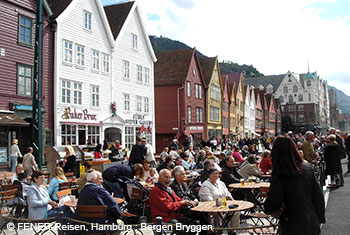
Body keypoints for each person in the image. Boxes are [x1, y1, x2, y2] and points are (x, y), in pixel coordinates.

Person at [264, 136, 325, 235]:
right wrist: (320, 217)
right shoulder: (306, 166)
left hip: (292, 221)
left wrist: (268, 208)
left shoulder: (280, 171)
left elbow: (275, 196)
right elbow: (317, 194)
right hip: (311, 218)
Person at [199, 167, 239, 234]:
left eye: (217, 173)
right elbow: (208, 200)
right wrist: (218, 205)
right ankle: (218, 231)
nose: (215, 175)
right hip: (212, 208)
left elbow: (227, 193)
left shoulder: (221, 183)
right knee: (217, 214)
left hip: (224, 205)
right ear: (209, 175)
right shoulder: (205, 185)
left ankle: (232, 231)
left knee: (236, 211)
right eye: (213, 173)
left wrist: (232, 201)